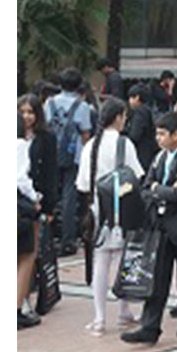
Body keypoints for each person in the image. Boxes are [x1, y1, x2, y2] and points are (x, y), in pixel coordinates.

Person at [121, 112, 177, 344]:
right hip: (160, 224)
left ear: (176, 135)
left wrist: (159, 189)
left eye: (162, 134)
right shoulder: (159, 157)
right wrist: (164, 189)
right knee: (157, 276)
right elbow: (146, 188)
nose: (158, 138)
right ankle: (150, 326)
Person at [76, 97, 144, 334]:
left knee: (100, 263)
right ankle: (124, 310)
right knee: (124, 261)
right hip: (123, 210)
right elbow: (136, 176)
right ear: (118, 117)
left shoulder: (91, 146)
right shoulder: (124, 144)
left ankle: (99, 317)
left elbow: (82, 184)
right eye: (124, 116)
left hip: (98, 211)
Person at [45, 67, 96, 255]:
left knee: (50, 194)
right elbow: (85, 133)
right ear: (79, 85)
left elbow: (45, 127)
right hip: (73, 157)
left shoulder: (50, 103)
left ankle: (47, 238)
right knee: (69, 198)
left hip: (51, 154)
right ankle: (68, 240)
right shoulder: (82, 106)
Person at [19, 94, 59, 327]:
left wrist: (49, 205)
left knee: (31, 252)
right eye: (22, 112)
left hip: (35, 201)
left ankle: (24, 297)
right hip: (21, 201)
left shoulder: (46, 138)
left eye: (30, 112)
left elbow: (51, 173)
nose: (26, 117)